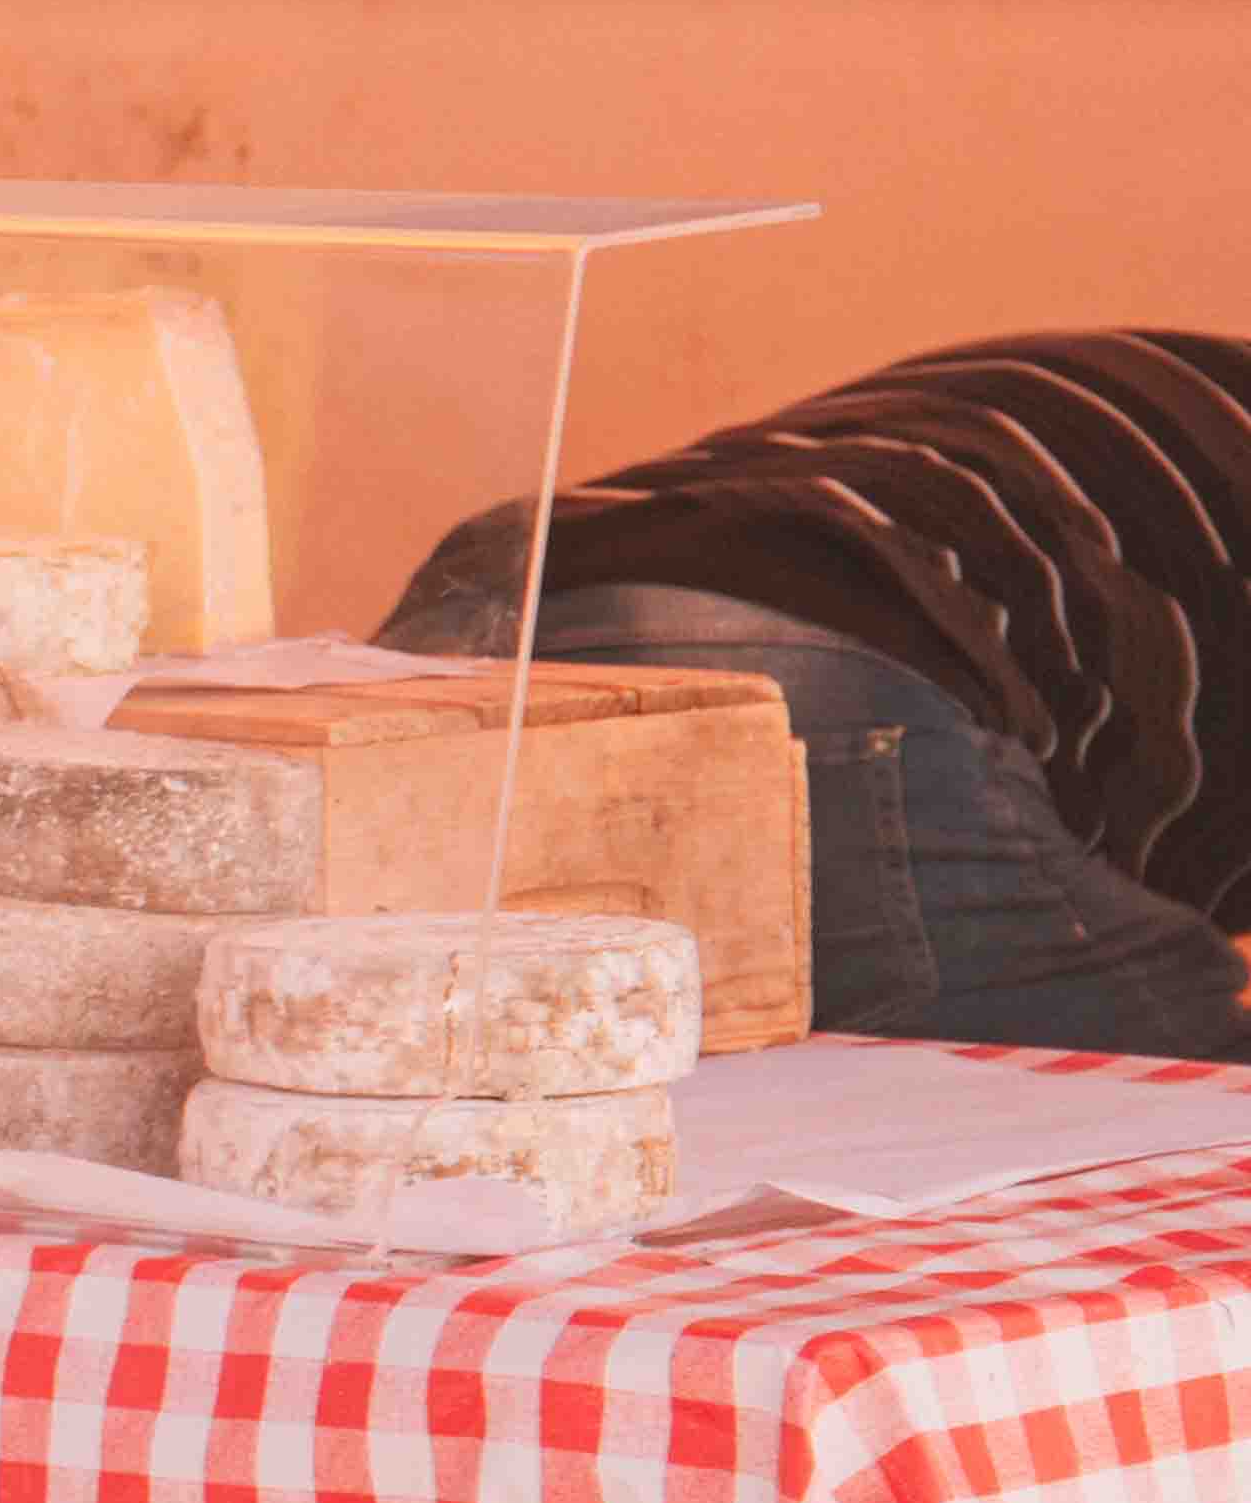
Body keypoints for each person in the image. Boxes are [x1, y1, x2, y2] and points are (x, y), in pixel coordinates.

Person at [381, 331, 1251, 1055]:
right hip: (814, 661)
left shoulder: (1185, 395)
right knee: (1192, 1107)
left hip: (472, 637)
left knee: (546, 1114)